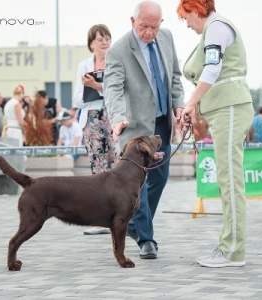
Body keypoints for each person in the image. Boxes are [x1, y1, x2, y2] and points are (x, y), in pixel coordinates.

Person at [104, 0, 184, 259]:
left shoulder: (167, 38)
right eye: (143, 26)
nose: (149, 32)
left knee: (158, 180)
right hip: (134, 129)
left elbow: (174, 77)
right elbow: (113, 88)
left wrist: (180, 106)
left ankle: (135, 225)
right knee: (136, 184)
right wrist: (117, 118)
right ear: (132, 22)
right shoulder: (118, 51)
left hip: (161, 123)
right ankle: (145, 239)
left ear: (161, 24)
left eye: (154, 26)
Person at [177, 0, 254, 268]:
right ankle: (229, 245)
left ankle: (232, 250)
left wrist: (189, 104)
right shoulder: (214, 29)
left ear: (195, 9)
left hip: (230, 107)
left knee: (230, 179)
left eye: (185, 17)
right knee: (227, 179)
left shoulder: (217, 28)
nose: (186, 24)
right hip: (225, 108)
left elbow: (212, 69)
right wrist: (193, 106)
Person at [73, 24, 119, 235]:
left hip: (113, 117)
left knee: (116, 164)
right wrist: (92, 91)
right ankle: (100, 220)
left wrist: (97, 87)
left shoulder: (116, 63)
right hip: (92, 118)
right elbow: (76, 99)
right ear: (91, 43)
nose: (104, 42)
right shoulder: (84, 66)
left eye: (107, 38)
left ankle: (119, 216)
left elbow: (120, 92)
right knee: (98, 167)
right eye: (100, 39)